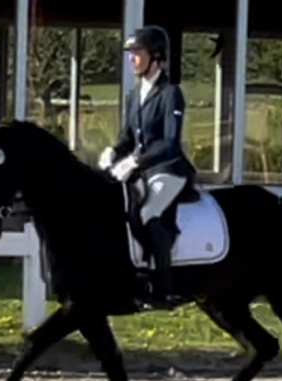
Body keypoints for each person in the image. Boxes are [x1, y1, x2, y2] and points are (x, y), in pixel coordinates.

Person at [98, 25, 196, 309]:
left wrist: (136, 161)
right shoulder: (134, 96)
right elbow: (127, 137)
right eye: (130, 54)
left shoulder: (170, 93)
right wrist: (114, 152)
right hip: (142, 169)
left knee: (148, 210)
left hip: (169, 169)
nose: (132, 59)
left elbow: (169, 142)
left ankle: (164, 288)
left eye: (137, 53)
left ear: (155, 56)